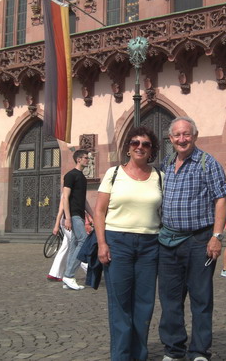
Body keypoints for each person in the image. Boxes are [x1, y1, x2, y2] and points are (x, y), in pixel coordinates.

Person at [158, 116, 226, 361]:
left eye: (186, 134)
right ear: (170, 139)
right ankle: (174, 350)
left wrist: (217, 236)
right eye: (177, 135)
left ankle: (199, 351)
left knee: (201, 298)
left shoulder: (208, 163)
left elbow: (221, 199)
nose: (182, 139)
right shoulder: (166, 163)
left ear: (195, 136)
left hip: (199, 240)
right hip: (167, 242)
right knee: (170, 300)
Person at [93, 126, 163, 361]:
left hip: (150, 244)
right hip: (117, 242)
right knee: (120, 304)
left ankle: (139, 355)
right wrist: (102, 244)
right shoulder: (114, 174)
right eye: (135, 143)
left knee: (144, 304)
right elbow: (99, 211)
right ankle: (121, 357)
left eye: (145, 144)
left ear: (152, 150)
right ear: (128, 148)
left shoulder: (159, 176)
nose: (140, 147)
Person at [62, 149, 93, 290]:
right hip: (73, 215)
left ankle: (67, 278)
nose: (88, 160)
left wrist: (92, 214)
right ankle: (68, 275)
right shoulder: (70, 175)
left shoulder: (82, 177)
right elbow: (65, 197)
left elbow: (83, 199)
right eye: (86, 158)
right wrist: (67, 218)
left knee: (74, 245)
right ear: (79, 159)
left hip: (79, 215)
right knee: (84, 241)